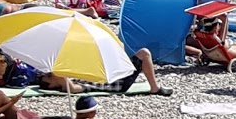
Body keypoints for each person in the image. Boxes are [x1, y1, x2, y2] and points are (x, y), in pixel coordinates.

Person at [42, 47, 174, 96]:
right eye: (49, 76)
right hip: (119, 83)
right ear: (52, 85)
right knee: (144, 53)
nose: (52, 73)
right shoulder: (69, 87)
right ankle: (155, 88)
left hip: (114, 74)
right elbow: (73, 89)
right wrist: (59, 75)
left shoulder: (71, 79)